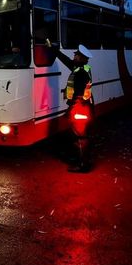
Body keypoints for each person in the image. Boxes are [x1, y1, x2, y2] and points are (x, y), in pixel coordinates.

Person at [47, 40, 94, 172]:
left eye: (76, 55)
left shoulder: (80, 72)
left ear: (82, 58)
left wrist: (70, 110)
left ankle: (83, 165)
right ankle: (82, 159)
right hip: (83, 106)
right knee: (80, 135)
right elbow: (68, 61)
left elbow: (78, 95)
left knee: (80, 136)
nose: (74, 57)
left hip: (80, 106)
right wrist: (54, 50)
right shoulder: (83, 68)